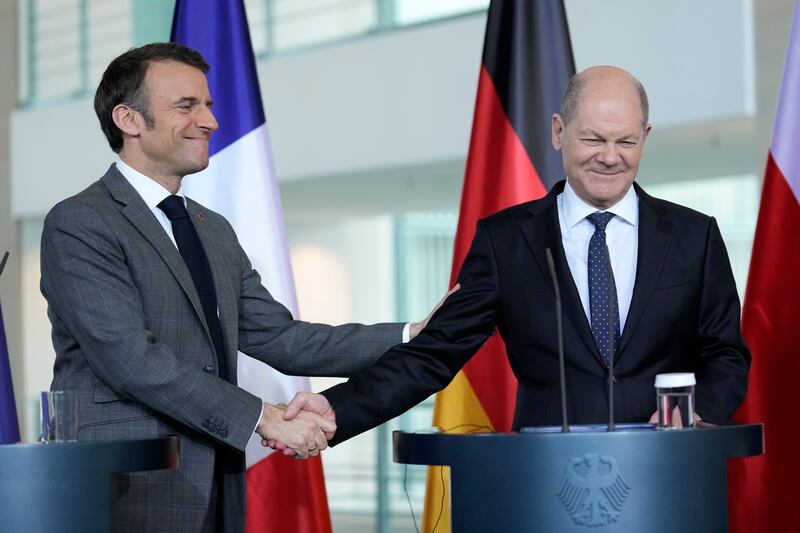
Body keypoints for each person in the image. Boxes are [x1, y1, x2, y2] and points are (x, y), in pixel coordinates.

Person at [40, 43, 452, 533]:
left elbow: (282, 338)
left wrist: (413, 332)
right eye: (187, 106)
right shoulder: (80, 222)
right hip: (129, 479)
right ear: (129, 119)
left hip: (217, 474)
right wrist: (264, 418)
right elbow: (131, 359)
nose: (210, 121)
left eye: (209, 105)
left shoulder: (211, 228)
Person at [281, 65, 750, 449]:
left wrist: (699, 413)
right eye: (593, 139)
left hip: (670, 473)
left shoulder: (695, 235)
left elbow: (725, 353)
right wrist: (338, 408)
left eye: (625, 142)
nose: (610, 157)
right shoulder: (506, 241)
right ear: (558, 131)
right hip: (545, 478)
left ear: (645, 136)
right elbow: (434, 355)